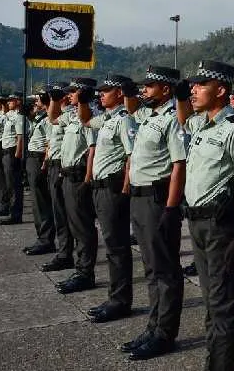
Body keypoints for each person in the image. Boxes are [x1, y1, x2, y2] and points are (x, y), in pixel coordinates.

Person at [181, 60, 234, 371]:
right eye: (193, 85)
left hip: (220, 226)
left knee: (224, 302)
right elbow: (183, 116)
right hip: (198, 222)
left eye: (201, 84)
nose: (194, 90)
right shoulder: (202, 125)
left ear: (221, 89)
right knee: (211, 300)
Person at [120, 66, 188, 361]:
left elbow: (179, 164)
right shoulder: (149, 117)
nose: (144, 90)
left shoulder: (173, 119)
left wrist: (172, 208)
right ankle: (153, 326)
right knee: (151, 268)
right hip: (139, 198)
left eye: (150, 85)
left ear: (166, 89)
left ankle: (165, 333)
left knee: (165, 271)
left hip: (158, 201)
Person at [77, 75, 137, 323]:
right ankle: (114, 296)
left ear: (120, 93)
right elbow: (86, 120)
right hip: (101, 188)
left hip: (114, 188)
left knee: (117, 247)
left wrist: (125, 191)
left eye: (106, 91)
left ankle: (121, 301)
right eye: (99, 91)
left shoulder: (124, 120)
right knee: (111, 246)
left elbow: (130, 156)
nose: (101, 94)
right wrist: (82, 101)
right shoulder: (108, 118)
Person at [48, 78, 99, 294]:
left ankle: (85, 273)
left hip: (79, 176)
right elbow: (52, 118)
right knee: (72, 224)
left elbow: (93, 150)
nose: (68, 95)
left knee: (83, 227)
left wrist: (87, 180)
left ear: (84, 92)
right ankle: (79, 269)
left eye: (73, 92)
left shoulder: (91, 116)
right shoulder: (71, 115)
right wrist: (54, 99)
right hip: (66, 174)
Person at [41, 85, 75, 273]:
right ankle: (64, 252)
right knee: (59, 213)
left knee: (67, 214)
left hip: (65, 167)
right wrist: (54, 99)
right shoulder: (62, 114)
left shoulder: (73, 113)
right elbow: (52, 119)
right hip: (54, 164)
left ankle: (66, 254)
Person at [23, 93, 56, 255]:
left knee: (42, 202)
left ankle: (46, 239)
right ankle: (41, 237)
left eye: (38, 100)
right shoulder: (39, 117)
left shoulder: (48, 119)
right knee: (36, 202)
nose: (35, 103)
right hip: (32, 158)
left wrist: (44, 163)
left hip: (39, 159)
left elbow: (50, 142)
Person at [0, 94, 25, 225]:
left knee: (14, 185)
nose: (8, 102)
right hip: (6, 152)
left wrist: (17, 156)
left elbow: (20, 138)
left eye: (10, 100)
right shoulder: (10, 115)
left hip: (12, 153)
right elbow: (4, 112)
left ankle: (15, 214)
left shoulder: (18, 117)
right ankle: (10, 210)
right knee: (9, 184)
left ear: (18, 101)